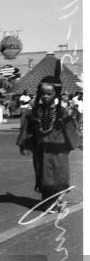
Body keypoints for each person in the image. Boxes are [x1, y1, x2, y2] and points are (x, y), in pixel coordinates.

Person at [16, 70, 80, 212]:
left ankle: (57, 201)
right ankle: (47, 202)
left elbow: (70, 131)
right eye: (43, 93)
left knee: (59, 177)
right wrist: (24, 144)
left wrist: (76, 143)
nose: (45, 96)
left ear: (55, 94)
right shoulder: (34, 113)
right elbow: (28, 130)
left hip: (58, 152)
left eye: (49, 94)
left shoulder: (62, 112)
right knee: (44, 177)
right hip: (41, 152)